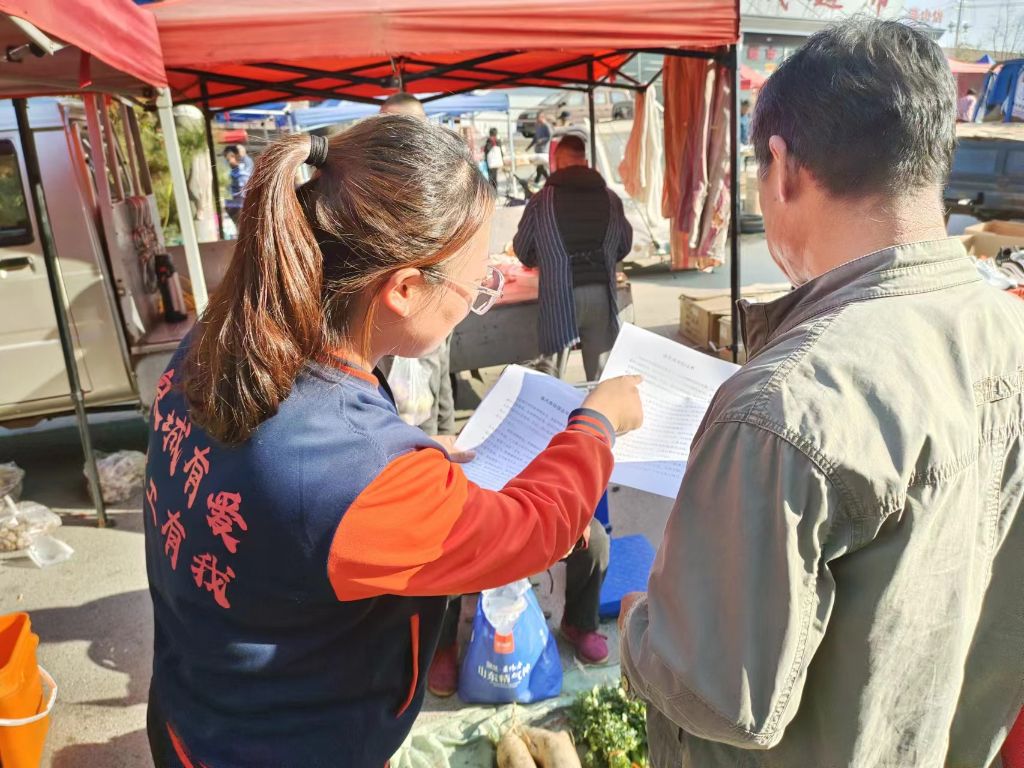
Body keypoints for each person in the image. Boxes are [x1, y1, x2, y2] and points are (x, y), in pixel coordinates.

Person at [144, 118, 644, 768]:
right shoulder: (354, 469)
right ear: (405, 289)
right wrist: (597, 423)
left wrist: (407, 453)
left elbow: (292, 479)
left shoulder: (219, 338)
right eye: (477, 288)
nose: (476, 301)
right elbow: (534, 529)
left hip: (193, 710)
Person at [620, 20, 1024, 767]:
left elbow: (715, 692)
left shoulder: (783, 406)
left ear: (782, 167)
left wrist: (640, 626)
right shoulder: (1008, 325)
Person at [427, 517, 612, 697]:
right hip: (473, 516)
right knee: (439, 546)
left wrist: (576, 513)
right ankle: (443, 644)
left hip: (534, 513)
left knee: (594, 539)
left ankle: (578, 623)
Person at [513, 134, 632, 381]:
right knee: (601, 378)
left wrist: (545, 259)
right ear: (585, 161)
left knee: (550, 376)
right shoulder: (610, 198)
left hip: (558, 297)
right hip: (602, 294)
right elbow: (624, 245)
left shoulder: (541, 201)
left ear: (557, 162)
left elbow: (523, 250)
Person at [375, 91, 457, 437]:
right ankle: (441, 443)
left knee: (422, 392)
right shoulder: (383, 179)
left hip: (421, 301)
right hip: (410, 302)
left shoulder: (433, 179)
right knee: (426, 385)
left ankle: (436, 448)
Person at [222, 144, 252, 227]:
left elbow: (242, 195)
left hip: (242, 205)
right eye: (227, 159)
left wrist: (227, 203)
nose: (228, 162)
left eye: (229, 159)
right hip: (239, 204)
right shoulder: (235, 170)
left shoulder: (242, 172)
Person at [525, 111, 552, 184]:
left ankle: (541, 180)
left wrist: (542, 140)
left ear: (543, 117)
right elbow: (535, 138)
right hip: (537, 150)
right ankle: (543, 180)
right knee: (539, 166)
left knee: (541, 166)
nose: (537, 119)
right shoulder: (538, 126)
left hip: (544, 150)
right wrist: (528, 147)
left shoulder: (547, 126)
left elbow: (550, 136)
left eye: (538, 117)